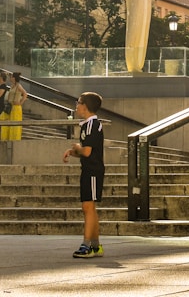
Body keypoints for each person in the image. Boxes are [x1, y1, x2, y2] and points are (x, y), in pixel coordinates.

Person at [64, 91, 104, 258]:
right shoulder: (86, 125)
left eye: (79, 103)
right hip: (89, 169)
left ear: (85, 106)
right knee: (89, 207)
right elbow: (87, 151)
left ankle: (86, 245)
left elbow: (87, 151)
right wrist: (73, 152)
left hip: (93, 170)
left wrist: (77, 148)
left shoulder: (92, 125)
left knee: (88, 207)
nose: (77, 106)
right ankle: (95, 245)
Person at [2, 73, 27, 141]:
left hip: (16, 107)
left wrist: (20, 102)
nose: (10, 78)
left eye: (11, 77)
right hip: (10, 106)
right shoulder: (12, 86)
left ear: (14, 78)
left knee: (15, 124)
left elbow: (25, 94)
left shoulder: (18, 86)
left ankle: (14, 138)